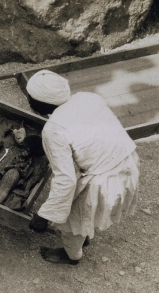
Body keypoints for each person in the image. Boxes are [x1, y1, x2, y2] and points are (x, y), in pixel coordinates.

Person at [27, 70, 139, 265]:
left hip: (105, 180)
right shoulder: (87, 97)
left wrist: (44, 215)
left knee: (70, 223)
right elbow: (85, 136)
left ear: (38, 104)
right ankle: (85, 232)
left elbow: (66, 180)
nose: (28, 101)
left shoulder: (53, 129)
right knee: (85, 214)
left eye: (30, 99)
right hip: (127, 161)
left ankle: (71, 255)